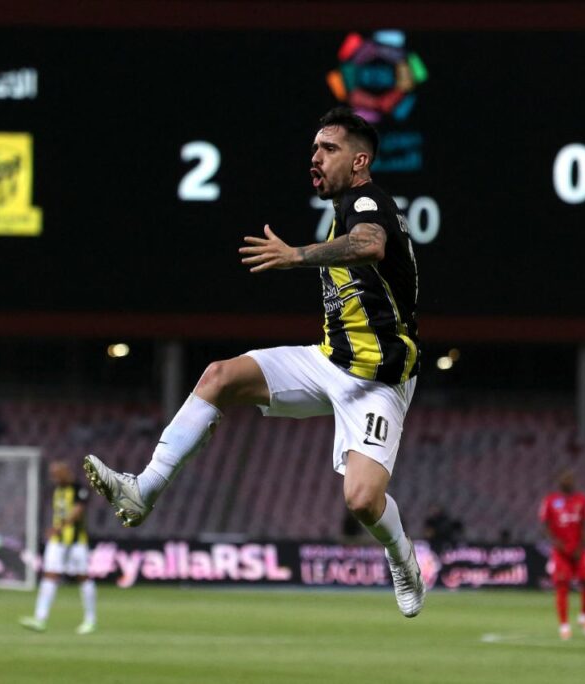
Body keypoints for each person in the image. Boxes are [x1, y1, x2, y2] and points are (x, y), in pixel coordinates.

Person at [83, 106, 425, 617]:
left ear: (359, 161)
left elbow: (372, 245)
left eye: (328, 149)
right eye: (314, 148)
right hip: (332, 360)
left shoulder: (369, 200)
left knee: (361, 501)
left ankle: (402, 557)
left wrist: (295, 256)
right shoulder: (347, 206)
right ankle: (143, 490)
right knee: (220, 376)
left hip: (380, 380)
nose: (315, 157)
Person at [20, 460, 97, 634]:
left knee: (83, 577)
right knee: (49, 575)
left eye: (56, 473)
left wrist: (59, 527)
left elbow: (78, 511)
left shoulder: (79, 489)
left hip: (77, 541)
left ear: (65, 471)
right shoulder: (57, 490)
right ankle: (40, 619)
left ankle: (91, 620)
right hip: (57, 541)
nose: (53, 477)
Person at [539, 468, 585, 640]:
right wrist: (557, 544)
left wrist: (582, 546)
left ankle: (584, 616)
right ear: (559, 481)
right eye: (565, 478)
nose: (568, 481)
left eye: (570, 478)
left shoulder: (582, 500)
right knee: (562, 586)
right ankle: (564, 626)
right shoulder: (550, 500)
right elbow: (545, 526)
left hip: (579, 549)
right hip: (560, 551)